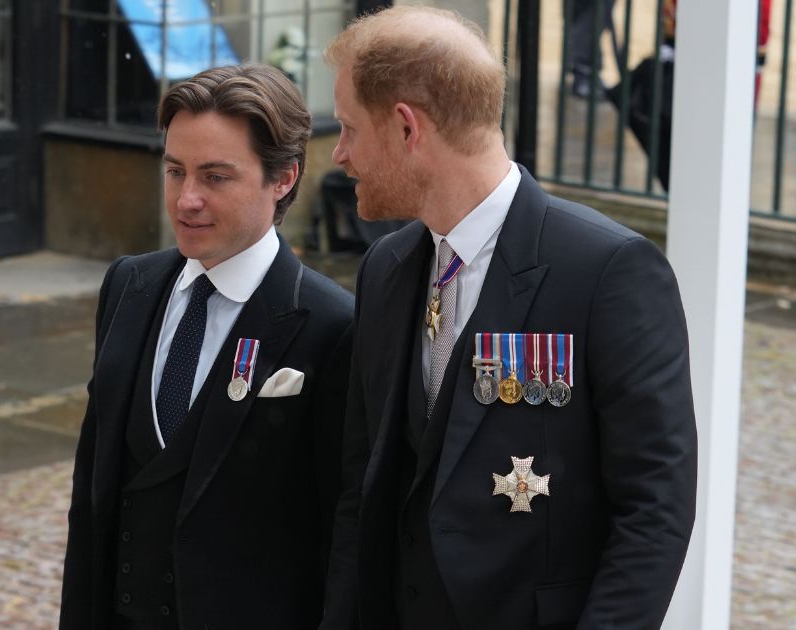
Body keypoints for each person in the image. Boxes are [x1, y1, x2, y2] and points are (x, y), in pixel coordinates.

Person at [320, 7, 697, 629]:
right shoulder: (386, 268)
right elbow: (362, 491)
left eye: (349, 128)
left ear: (407, 128)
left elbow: (655, 509)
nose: (339, 154)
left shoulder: (608, 270)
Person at [60, 64, 353, 630]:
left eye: (216, 177)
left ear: (284, 178)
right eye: (175, 172)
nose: (186, 199)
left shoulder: (333, 325)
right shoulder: (128, 285)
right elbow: (92, 493)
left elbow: (341, 532)